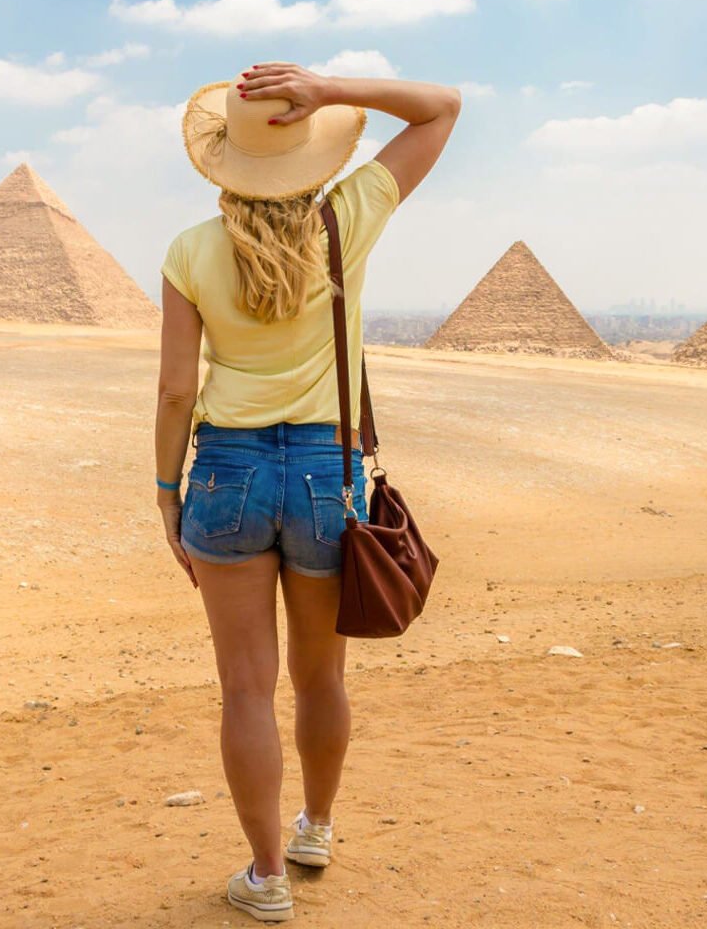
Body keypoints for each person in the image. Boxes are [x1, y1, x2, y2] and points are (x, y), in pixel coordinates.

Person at [154, 61, 461, 922]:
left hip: (224, 472)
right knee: (321, 680)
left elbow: (178, 389)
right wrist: (331, 88)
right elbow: (442, 106)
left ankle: (266, 877)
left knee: (245, 690)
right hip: (328, 474)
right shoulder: (350, 218)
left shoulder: (189, 251)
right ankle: (316, 828)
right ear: (310, 153)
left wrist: (163, 489)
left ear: (226, 162)